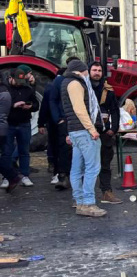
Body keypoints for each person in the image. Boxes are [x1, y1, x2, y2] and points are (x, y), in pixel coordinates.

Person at [61, 60, 105, 217]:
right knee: (92, 168)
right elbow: (79, 109)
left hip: (75, 131)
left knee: (76, 168)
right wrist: (92, 129)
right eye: (86, 71)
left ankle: (79, 201)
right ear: (81, 71)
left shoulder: (67, 82)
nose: (88, 74)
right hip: (83, 131)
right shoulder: (75, 84)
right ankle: (87, 203)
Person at [89, 62, 122, 205]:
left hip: (104, 132)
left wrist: (113, 129)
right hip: (88, 131)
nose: (96, 73)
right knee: (86, 165)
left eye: (99, 70)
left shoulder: (108, 89)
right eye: (94, 70)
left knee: (105, 164)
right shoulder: (84, 88)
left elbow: (115, 110)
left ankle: (106, 192)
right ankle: (85, 197)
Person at [0, 66, 38, 189]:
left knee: (24, 151)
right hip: (9, 124)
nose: (19, 84)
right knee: (7, 152)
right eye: (17, 81)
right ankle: (7, 176)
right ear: (10, 78)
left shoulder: (27, 89)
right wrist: (14, 105)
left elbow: (36, 104)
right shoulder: (5, 90)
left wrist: (30, 106)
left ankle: (25, 175)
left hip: (24, 123)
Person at [49, 57, 80, 190]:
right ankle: (63, 175)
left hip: (79, 118)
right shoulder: (60, 81)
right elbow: (52, 99)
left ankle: (78, 176)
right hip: (65, 119)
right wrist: (58, 119)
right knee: (64, 148)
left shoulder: (82, 80)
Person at [0, 77, 22, 192]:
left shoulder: (2, 94)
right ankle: (12, 177)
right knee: (4, 155)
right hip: (3, 128)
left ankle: (12, 176)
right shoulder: (5, 92)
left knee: (4, 155)